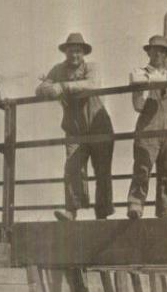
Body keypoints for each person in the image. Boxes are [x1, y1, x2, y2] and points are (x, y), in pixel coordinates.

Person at [36, 32, 114, 220]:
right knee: (72, 167)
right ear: (66, 52)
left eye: (78, 51)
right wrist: (51, 88)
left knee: (102, 169)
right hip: (74, 128)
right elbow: (40, 90)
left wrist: (63, 87)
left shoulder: (92, 67)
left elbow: (93, 84)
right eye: (71, 51)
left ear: (84, 53)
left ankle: (102, 213)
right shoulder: (58, 70)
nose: (75, 55)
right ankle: (71, 210)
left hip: (98, 126)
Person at [127, 35, 167, 219]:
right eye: (155, 50)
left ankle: (165, 210)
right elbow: (138, 103)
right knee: (143, 167)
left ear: (166, 54)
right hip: (148, 126)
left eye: (162, 51)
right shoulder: (140, 72)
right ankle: (136, 204)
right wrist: (163, 80)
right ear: (149, 52)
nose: (158, 54)